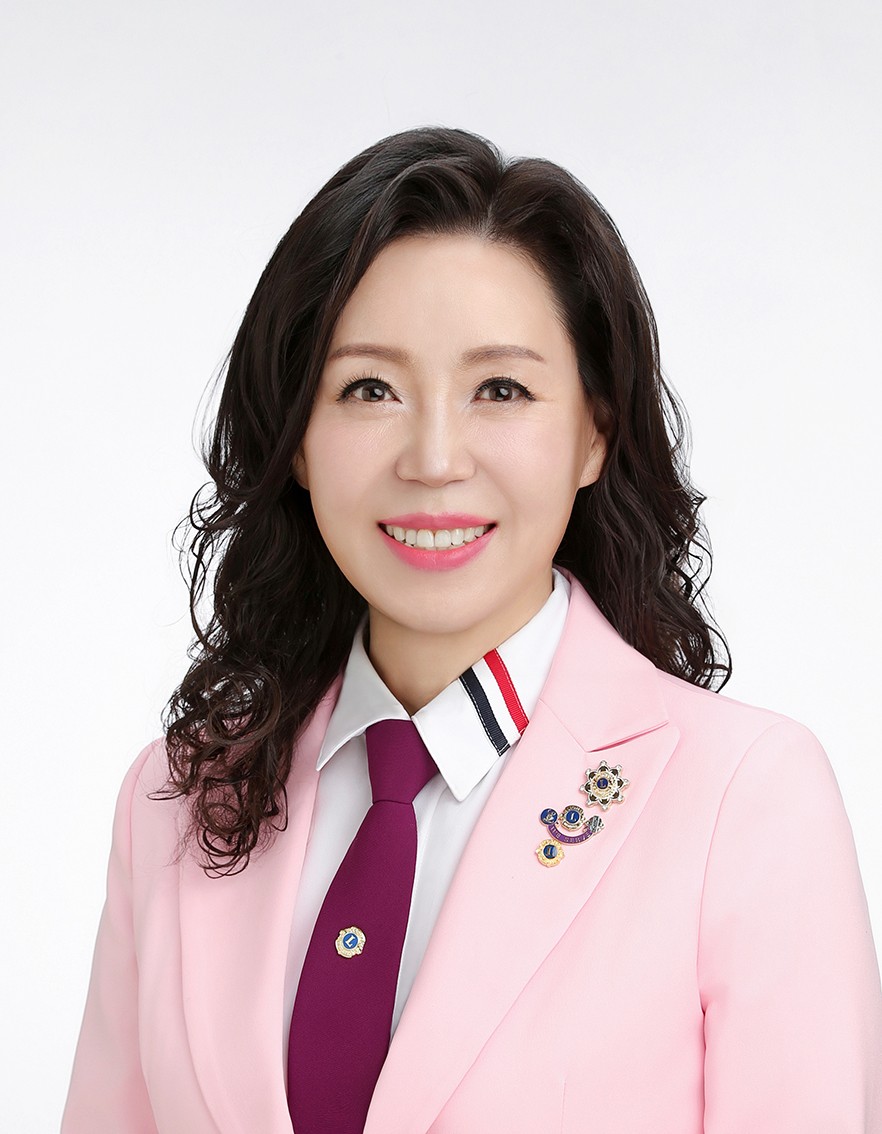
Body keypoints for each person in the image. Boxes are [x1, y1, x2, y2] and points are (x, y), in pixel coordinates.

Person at [62, 126, 882, 1133]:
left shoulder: (744, 798)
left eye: (501, 389)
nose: (435, 458)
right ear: (299, 438)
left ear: (594, 432)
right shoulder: (176, 798)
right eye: (369, 389)